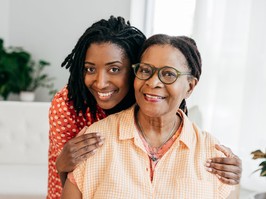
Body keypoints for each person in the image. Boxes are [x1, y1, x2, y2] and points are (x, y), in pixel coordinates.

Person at [48, 16, 241, 198]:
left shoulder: (211, 153)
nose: (101, 82)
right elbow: (68, 180)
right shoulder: (75, 115)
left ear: (190, 86)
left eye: (168, 74)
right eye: (146, 71)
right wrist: (62, 165)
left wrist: (236, 173)